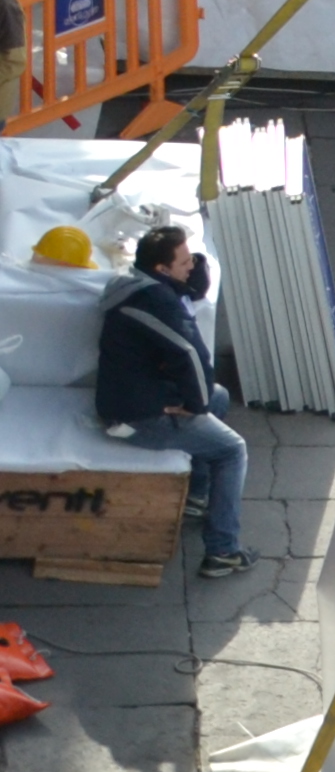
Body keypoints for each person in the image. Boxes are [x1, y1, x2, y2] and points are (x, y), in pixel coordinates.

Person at [95, 222, 247, 579]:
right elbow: (190, 355)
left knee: (218, 396)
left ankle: (196, 496)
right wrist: (196, 407)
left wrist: (203, 399)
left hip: (133, 396)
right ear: (162, 270)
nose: (192, 265)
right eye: (183, 262)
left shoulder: (136, 286)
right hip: (138, 415)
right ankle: (223, 551)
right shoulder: (159, 302)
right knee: (232, 449)